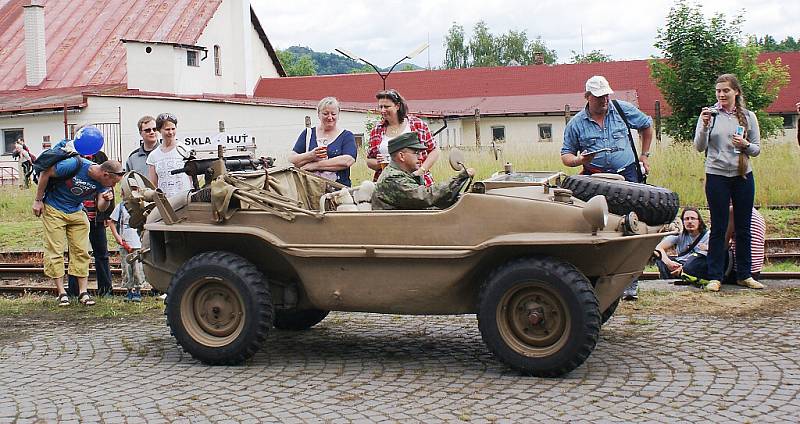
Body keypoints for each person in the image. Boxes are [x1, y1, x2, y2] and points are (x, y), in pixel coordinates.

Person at [561, 75, 655, 300]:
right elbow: (566, 156)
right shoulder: (576, 123)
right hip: (595, 178)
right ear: (587, 97)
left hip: (628, 174)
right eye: (599, 97)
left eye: (606, 95)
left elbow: (647, 126)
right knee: (597, 228)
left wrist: (644, 155)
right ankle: (597, 280)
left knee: (633, 226)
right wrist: (580, 161)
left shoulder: (622, 110)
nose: (604, 100)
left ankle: (631, 283)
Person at [694, 73, 762, 292]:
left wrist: (745, 144)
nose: (721, 94)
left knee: (743, 227)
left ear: (736, 92)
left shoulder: (748, 116)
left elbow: (757, 149)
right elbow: (699, 147)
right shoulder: (710, 115)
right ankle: (715, 276)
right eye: (718, 91)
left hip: (743, 175)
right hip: (717, 175)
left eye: (726, 91)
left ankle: (745, 275)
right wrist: (704, 126)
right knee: (719, 227)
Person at [32, 155, 124, 307]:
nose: (113, 186)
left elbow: (101, 207)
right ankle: (62, 293)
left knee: (81, 251)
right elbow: (46, 173)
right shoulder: (74, 164)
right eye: (113, 182)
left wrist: (106, 200)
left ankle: (83, 292)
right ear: (105, 174)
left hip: (77, 211)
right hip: (55, 208)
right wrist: (37, 200)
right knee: (56, 250)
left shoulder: (104, 183)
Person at [372, 132, 474, 210]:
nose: (421, 157)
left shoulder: (403, 175)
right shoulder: (392, 178)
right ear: (401, 156)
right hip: (397, 231)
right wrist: (459, 179)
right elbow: (425, 196)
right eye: (416, 153)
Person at [367, 89, 439, 186]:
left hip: (417, 182)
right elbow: (369, 160)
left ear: (397, 106)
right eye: (380, 107)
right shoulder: (377, 130)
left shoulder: (417, 124)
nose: (383, 110)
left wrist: (421, 171)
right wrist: (378, 163)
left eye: (386, 106)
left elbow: (434, 151)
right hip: (387, 184)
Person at [67, 150, 114, 297]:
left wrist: (107, 214)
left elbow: (109, 186)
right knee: (75, 253)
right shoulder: (74, 160)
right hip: (77, 216)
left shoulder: (101, 157)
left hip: (96, 217)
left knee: (102, 255)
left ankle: (105, 291)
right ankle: (75, 291)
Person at [288, 97, 357, 186]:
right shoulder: (308, 133)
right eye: (325, 114)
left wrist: (314, 166)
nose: (330, 117)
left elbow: (347, 160)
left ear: (338, 115)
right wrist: (311, 155)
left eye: (333, 114)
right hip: (309, 190)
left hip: (338, 191)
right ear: (318, 114)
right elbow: (292, 159)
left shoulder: (346, 136)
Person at [108, 189, 145, 302]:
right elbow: (112, 222)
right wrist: (117, 237)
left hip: (138, 243)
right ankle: (129, 290)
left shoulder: (141, 206)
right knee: (126, 268)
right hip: (125, 243)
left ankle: (138, 290)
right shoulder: (121, 207)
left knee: (138, 268)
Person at [653, 207, 710, 281]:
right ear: (683, 222)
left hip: (696, 265)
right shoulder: (679, 235)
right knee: (660, 259)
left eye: (693, 218)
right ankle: (668, 282)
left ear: (699, 221)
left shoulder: (708, 236)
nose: (690, 222)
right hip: (680, 263)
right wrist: (668, 262)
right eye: (686, 219)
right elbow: (658, 247)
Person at [147, 113, 191, 197]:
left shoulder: (185, 150)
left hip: (184, 200)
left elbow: (195, 176)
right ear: (159, 130)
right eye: (167, 129)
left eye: (173, 129)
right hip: (165, 202)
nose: (171, 132)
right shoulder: (153, 156)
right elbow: (153, 184)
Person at [724, 206, 766, 285]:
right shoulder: (757, 214)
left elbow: (724, 243)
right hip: (755, 272)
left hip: (738, 273)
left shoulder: (733, 210)